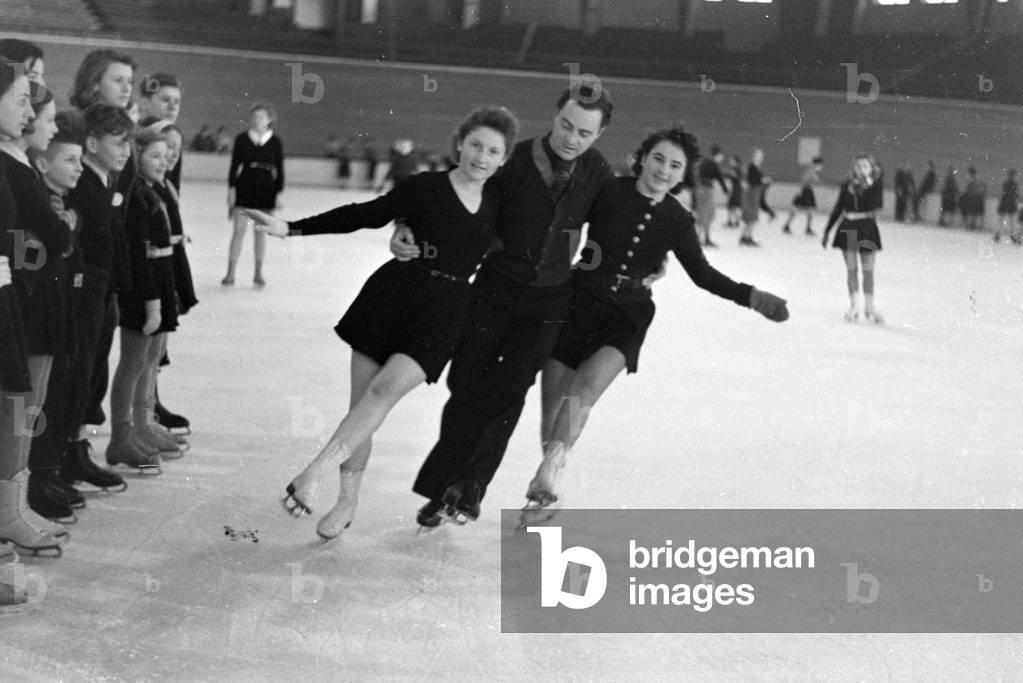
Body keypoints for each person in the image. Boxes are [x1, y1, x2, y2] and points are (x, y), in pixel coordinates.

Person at [246, 106, 518, 540]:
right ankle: (347, 500)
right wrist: (291, 228)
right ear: (460, 144)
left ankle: (315, 470)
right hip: (394, 297)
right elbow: (365, 212)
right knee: (364, 408)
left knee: (383, 392)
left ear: (504, 159)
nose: (481, 157)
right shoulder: (425, 186)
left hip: (446, 312)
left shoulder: (502, 204)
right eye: (475, 145)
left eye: (493, 151)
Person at [520, 126, 789, 523]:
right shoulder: (609, 190)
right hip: (576, 303)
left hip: (626, 316)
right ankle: (549, 488)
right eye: (659, 158)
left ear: (684, 175)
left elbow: (703, 274)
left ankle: (549, 473)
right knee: (553, 407)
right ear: (642, 158)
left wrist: (754, 297)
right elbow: (569, 224)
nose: (664, 169)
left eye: (675, 165)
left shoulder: (678, 220)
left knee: (584, 392)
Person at [393, 83, 616, 527]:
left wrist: (650, 261)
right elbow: (455, 191)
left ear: (600, 133)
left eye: (585, 133)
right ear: (555, 115)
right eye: (566, 125)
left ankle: (470, 486)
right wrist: (406, 223)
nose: (572, 138)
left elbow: (620, 223)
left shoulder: (598, 172)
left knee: (511, 389)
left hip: (549, 300)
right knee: (466, 384)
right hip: (494, 288)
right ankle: (444, 484)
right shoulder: (514, 157)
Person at [0, 77, 71, 552]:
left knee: (27, 407)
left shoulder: (17, 163)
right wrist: (36, 259)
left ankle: (13, 506)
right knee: (16, 409)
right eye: (22, 101)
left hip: (25, 293)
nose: (29, 113)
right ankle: (9, 512)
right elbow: (29, 234)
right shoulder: (11, 165)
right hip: (22, 295)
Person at [62, 105, 133, 493]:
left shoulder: (104, 180)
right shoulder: (84, 184)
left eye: (128, 143)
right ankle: (66, 455)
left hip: (102, 292)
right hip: (87, 293)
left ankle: (75, 448)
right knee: (80, 374)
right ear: (92, 143)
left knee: (91, 374)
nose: (125, 151)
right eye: (118, 142)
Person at [105, 127, 180, 473]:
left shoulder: (153, 189)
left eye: (166, 157)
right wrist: (152, 299)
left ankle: (143, 423)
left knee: (150, 359)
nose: (163, 162)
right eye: (154, 156)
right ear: (137, 154)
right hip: (141, 290)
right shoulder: (135, 194)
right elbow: (139, 253)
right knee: (135, 361)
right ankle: (123, 433)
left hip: (158, 287)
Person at [224, 102, 284, 288]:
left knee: (260, 233)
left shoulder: (275, 141)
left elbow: (280, 170)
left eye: (261, 116)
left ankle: (258, 273)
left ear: (269, 120)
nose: (256, 119)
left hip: (267, 188)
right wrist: (231, 191)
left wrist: (279, 193)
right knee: (238, 231)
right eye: (254, 116)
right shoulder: (242, 139)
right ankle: (230, 273)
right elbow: (234, 166)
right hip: (245, 185)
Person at [821, 155, 884, 324]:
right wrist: (827, 231)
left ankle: (869, 306)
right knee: (852, 269)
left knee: (868, 270)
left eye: (865, 166)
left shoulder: (876, 184)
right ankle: (854, 305)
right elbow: (838, 209)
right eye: (858, 166)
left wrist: (867, 186)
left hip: (867, 230)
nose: (861, 169)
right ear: (853, 169)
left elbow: (877, 204)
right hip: (849, 229)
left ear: (871, 168)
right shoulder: (847, 185)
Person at [694, 143, 728, 247]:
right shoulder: (712, 163)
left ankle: (701, 237)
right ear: (717, 155)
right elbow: (719, 176)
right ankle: (702, 238)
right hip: (705, 190)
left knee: (704, 213)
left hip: (701, 189)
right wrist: (725, 189)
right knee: (706, 213)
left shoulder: (706, 162)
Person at [783, 156, 822, 236]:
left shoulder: (810, 170)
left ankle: (788, 225)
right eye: (820, 165)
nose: (821, 167)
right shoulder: (810, 170)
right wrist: (800, 191)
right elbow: (804, 180)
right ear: (817, 164)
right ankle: (806, 228)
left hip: (807, 191)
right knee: (807, 210)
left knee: (800, 209)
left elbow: (814, 180)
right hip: (806, 191)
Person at [739, 148, 766, 246]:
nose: (761, 157)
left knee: (751, 219)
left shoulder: (755, 167)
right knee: (751, 218)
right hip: (752, 194)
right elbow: (752, 180)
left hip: (754, 194)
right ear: (754, 156)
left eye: (761, 155)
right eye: (759, 155)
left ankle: (746, 237)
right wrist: (763, 181)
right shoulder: (752, 167)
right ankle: (746, 238)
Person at [994, 169, 1019, 244]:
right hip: (1010, 203)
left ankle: (998, 234)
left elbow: (1003, 193)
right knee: (1011, 220)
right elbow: (1015, 194)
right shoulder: (1013, 184)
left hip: (1005, 202)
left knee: (1002, 219)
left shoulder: (1006, 183)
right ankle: (1011, 234)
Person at [960, 166, 986, 232]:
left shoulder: (971, 180)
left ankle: (970, 224)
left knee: (971, 211)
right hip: (979, 198)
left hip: (974, 198)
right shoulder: (978, 179)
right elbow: (983, 188)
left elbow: (968, 190)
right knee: (977, 212)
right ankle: (975, 225)